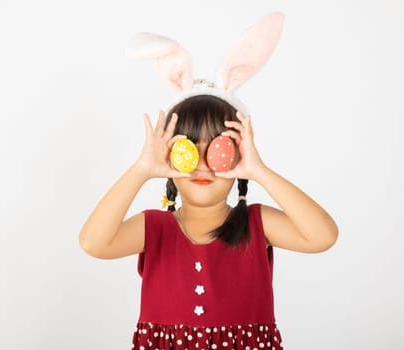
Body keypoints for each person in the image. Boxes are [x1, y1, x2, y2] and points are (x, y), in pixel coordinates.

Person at [79, 13, 338, 350]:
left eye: (216, 150)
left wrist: (259, 170)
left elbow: (324, 236)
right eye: (188, 150)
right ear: (170, 159)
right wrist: (142, 168)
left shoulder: (257, 225)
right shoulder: (155, 228)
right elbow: (93, 243)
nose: (202, 166)